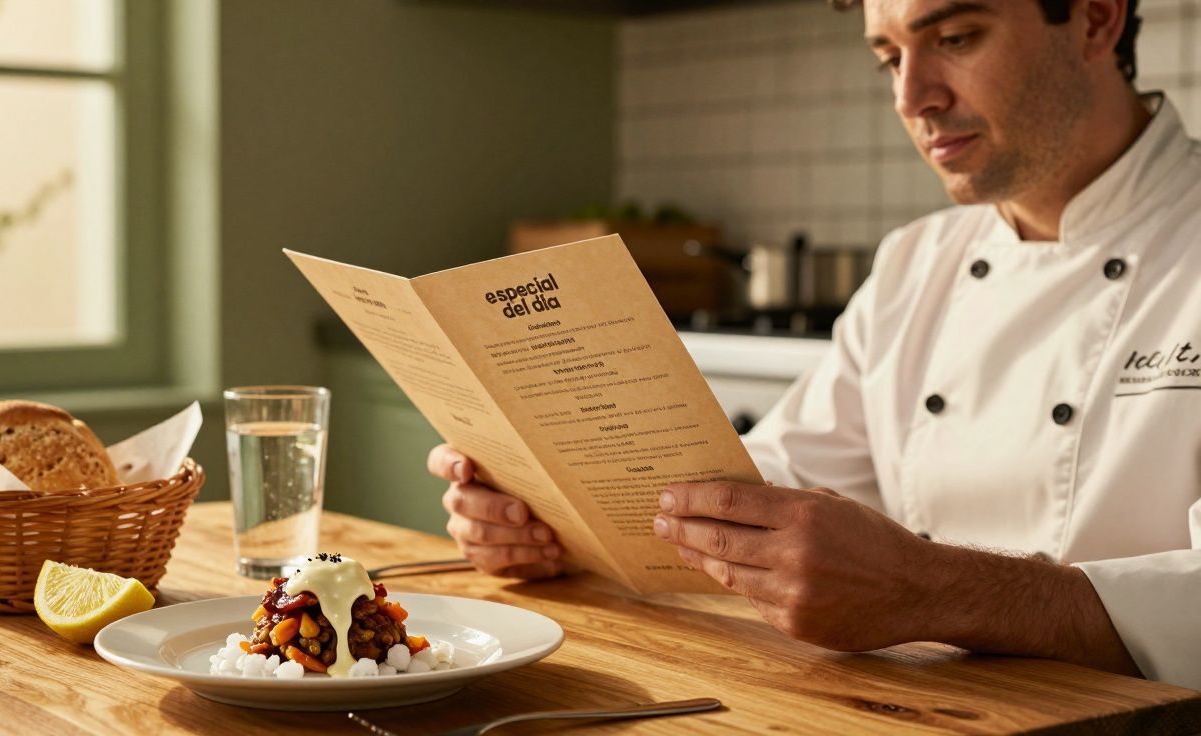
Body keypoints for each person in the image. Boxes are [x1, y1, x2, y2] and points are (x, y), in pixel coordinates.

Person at [429, 0, 1201, 688]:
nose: (912, 97)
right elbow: (776, 481)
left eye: (957, 36)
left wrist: (931, 589)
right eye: (889, 57)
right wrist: (560, 523)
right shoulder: (916, 260)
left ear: (1097, 18)